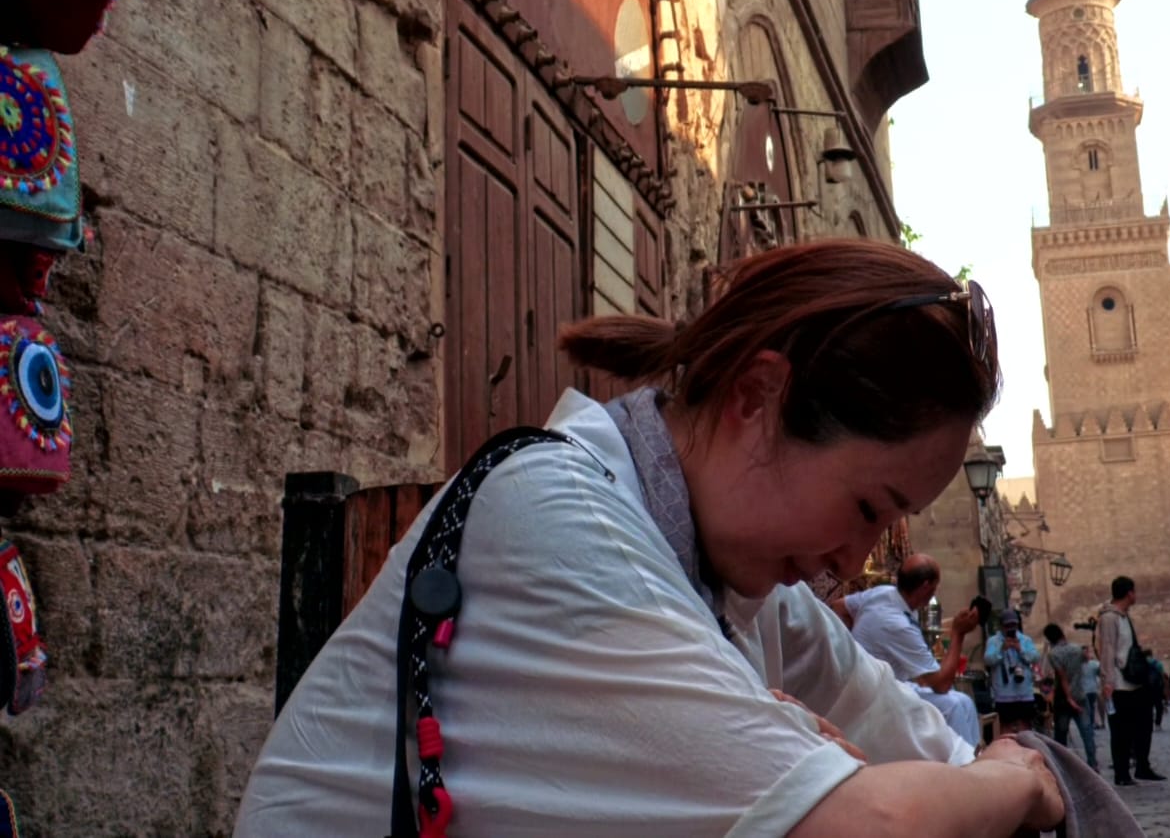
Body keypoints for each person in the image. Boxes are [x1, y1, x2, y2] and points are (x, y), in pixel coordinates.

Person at [235, 240, 1071, 837]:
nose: (853, 561)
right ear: (757, 398)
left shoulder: (745, 590)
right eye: (865, 508)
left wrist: (966, 773)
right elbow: (867, 822)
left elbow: (914, 736)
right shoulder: (562, 522)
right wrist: (1012, 781)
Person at [831, 554, 983, 747]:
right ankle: (962, 761)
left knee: (963, 701)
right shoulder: (897, 625)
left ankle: (973, 755)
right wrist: (958, 634)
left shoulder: (881, 593)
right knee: (954, 705)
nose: (935, 592)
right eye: (935, 586)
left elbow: (838, 606)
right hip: (879, 694)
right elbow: (941, 684)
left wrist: (852, 642)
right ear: (926, 587)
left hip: (883, 682)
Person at [1097, 576, 1165, 787]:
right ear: (1129, 593)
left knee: (1144, 724)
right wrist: (1108, 681)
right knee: (1121, 730)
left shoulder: (1125, 616)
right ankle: (1122, 772)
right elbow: (1107, 648)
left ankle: (1142, 766)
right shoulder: (1109, 618)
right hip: (1118, 683)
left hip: (1135, 681)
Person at [1043, 623, 1096, 771]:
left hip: (1063, 698)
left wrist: (1069, 698)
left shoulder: (1053, 654)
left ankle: (1061, 766)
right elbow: (1085, 662)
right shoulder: (1077, 649)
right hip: (1080, 693)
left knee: (1061, 734)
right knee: (1087, 732)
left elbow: (1062, 677)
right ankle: (1093, 762)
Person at [984, 609, 1040, 735]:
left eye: (1013, 625)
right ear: (1001, 626)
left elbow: (1035, 657)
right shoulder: (994, 641)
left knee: (1026, 728)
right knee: (1006, 729)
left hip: (1024, 692)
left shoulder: (1025, 640)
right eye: (1008, 626)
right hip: (1004, 694)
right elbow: (988, 660)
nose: (1011, 628)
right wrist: (1002, 650)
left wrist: (1020, 650)